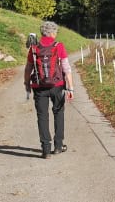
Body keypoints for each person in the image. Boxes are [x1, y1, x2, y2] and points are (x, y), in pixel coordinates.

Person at [24, 21, 74, 159]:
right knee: (58, 112)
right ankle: (58, 146)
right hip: (57, 86)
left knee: (42, 116)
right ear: (52, 33)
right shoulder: (59, 46)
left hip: (39, 87)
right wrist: (70, 88)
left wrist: (27, 84)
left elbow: (28, 68)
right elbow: (66, 68)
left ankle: (46, 149)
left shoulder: (34, 48)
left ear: (42, 33)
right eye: (56, 32)